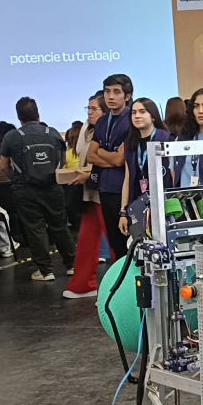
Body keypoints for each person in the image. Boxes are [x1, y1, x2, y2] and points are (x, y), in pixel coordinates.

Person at [0, 97, 76, 281]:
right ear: (38, 113)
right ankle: (72, 265)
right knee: (60, 226)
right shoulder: (53, 133)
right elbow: (63, 160)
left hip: (25, 190)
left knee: (35, 229)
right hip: (53, 187)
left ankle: (45, 271)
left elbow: (3, 166)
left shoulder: (11, 136)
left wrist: (16, 180)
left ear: (19, 116)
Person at [65, 91, 112, 299]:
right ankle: (82, 284)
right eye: (88, 108)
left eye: (94, 109)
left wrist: (90, 174)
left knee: (114, 242)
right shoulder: (86, 129)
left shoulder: (112, 130)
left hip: (107, 189)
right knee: (86, 239)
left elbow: (113, 162)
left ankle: (118, 289)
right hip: (89, 191)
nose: (89, 112)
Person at [89, 74, 133, 259]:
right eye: (107, 91)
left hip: (123, 188)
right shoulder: (102, 121)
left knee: (129, 240)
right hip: (104, 187)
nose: (111, 96)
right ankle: (121, 275)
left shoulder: (131, 119)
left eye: (116, 92)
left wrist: (101, 151)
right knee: (115, 242)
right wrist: (110, 156)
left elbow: (120, 160)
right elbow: (90, 155)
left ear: (127, 96)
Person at [117, 98, 174, 237]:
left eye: (142, 112)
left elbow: (173, 175)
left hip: (165, 204)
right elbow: (127, 179)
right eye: (134, 112)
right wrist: (123, 212)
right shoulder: (130, 143)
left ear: (153, 116)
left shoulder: (166, 138)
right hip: (138, 205)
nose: (137, 116)